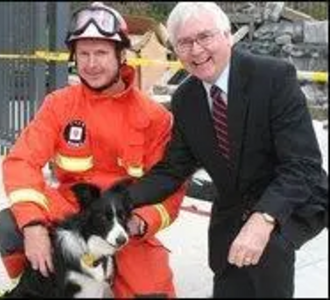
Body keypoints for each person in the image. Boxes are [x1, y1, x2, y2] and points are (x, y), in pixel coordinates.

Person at [123, 2, 328, 298]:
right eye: (184, 43)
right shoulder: (186, 98)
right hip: (234, 203)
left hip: (293, 196)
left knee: (268, 253)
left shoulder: (273, 78)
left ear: (227, 36)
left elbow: (303, 165)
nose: (196, 50)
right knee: (228, 277)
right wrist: (121, 200)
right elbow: (173, 169)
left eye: (205, 37)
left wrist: (264, 218)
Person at [0, 2, 186, 298]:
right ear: (73, 57)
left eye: (101, 53)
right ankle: (36, 284)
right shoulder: (59, 105)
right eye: (83, 54)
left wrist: (141, 221)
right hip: (68, 217)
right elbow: (21, 161)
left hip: (125, 224)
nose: (91, 64)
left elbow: (171, 188)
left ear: (121, 56)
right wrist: (34, 223)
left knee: (151, 294)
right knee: (7, 226)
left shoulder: (155, 118)